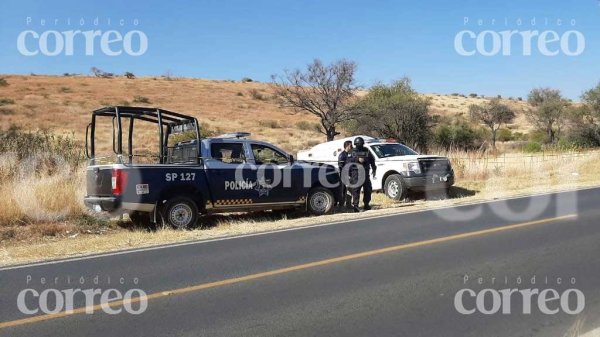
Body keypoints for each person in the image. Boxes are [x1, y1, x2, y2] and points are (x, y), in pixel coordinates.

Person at [348, 137, 376, 212]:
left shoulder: (366, 150)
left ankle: (366, 204)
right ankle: (356, 206)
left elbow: (371, 159)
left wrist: (374, 168)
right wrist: (357, 159)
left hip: (365, 173)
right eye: (359, 144)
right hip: (356, 173)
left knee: (368, 189)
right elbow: (349, 161)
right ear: (356, 145)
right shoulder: (352, 151)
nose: (360, 146)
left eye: (361, 144)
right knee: (356, 190)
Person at [337, 140, 353, 208]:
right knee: (343, 192)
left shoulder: (349, 155)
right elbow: (341, 167)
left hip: (350, 176)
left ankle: (348, 205)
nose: (352, 147)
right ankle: (341, 206)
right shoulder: (342, 155)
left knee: (350, 191)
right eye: (351, 145)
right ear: (347, 146)